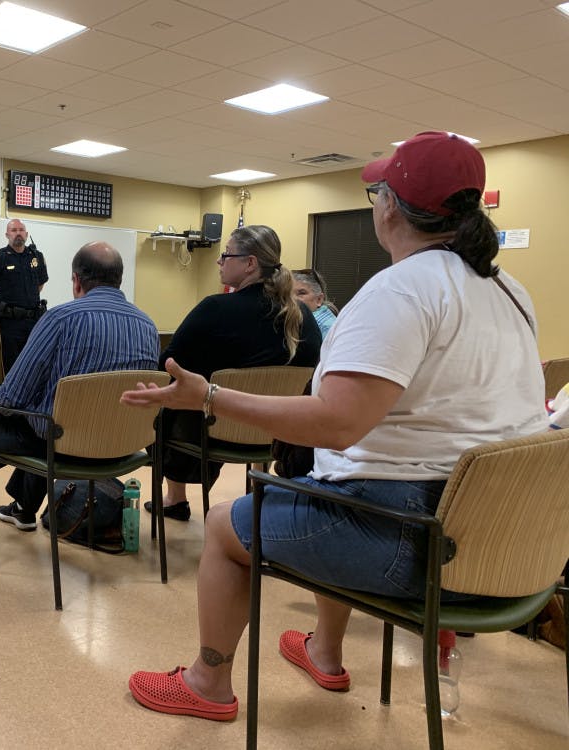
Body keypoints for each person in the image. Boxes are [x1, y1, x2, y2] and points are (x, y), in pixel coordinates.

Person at [119, 131, 548, 722]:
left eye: (377, 191)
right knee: (321, 484)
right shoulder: (510, 290)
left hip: (413, 540)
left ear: (390, 206)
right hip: (513, 545)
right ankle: (323, 649)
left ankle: (207, 683)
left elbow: (336, 423)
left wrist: (210, 396)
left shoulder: (401, 289)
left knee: (225, 526)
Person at [0, 241, 159, 548]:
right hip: (122, 445)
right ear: (119, 278)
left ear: (76, 280)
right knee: (48, 417)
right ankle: (23, 510)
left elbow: (16, 390)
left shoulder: (60, 318)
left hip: (64, 444)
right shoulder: (148, 325)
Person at [152, 226, 322, 522]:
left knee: (162, 408)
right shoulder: (302, 316)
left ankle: (175, 499)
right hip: (278, 434)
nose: (219, 261)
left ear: (250, 263)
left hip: (213, 429)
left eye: (225, 255)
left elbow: (168, 363)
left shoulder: (215, 308)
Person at [0, 219, 48, 373]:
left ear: (26, 234)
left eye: (21, 230)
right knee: (12, 367)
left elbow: (40, 284)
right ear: (7, 235)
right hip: (10, 323)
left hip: (34, 321)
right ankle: (11, 397)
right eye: (14, 230)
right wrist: (4, 303)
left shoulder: (36, 257)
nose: (18, 233)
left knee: (34, 364)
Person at [292, 268, 338, 339]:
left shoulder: (323, 327)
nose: (293, 298)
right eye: (288, 293)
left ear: (319, 299)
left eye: (301, 293)